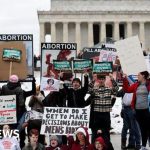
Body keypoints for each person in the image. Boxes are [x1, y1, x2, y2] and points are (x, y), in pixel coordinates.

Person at [87, 74, 119, 141]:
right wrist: (93, 80)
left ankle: (107, 146)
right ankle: (94, 147)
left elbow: (116, 88)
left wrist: (112, 79)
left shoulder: (108, 89)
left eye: (102, 79)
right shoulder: (95, 89)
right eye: (100, 79)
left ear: (105, 80)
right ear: (98, 80)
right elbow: (89, 89)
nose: (101, 80)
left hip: (106, 114)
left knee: (106, 132)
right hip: (97, 114)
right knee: (96, 132)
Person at [123, 71, 150, 149]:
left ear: (144, 76)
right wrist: (125, 79)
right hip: (138, 111)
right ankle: (144, 146)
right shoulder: (136, 85)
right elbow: (127, 89)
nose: (137, 76)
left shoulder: (148, 84)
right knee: (142, 128)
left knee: (148, 128)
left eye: (139, 75)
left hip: (146, 110)